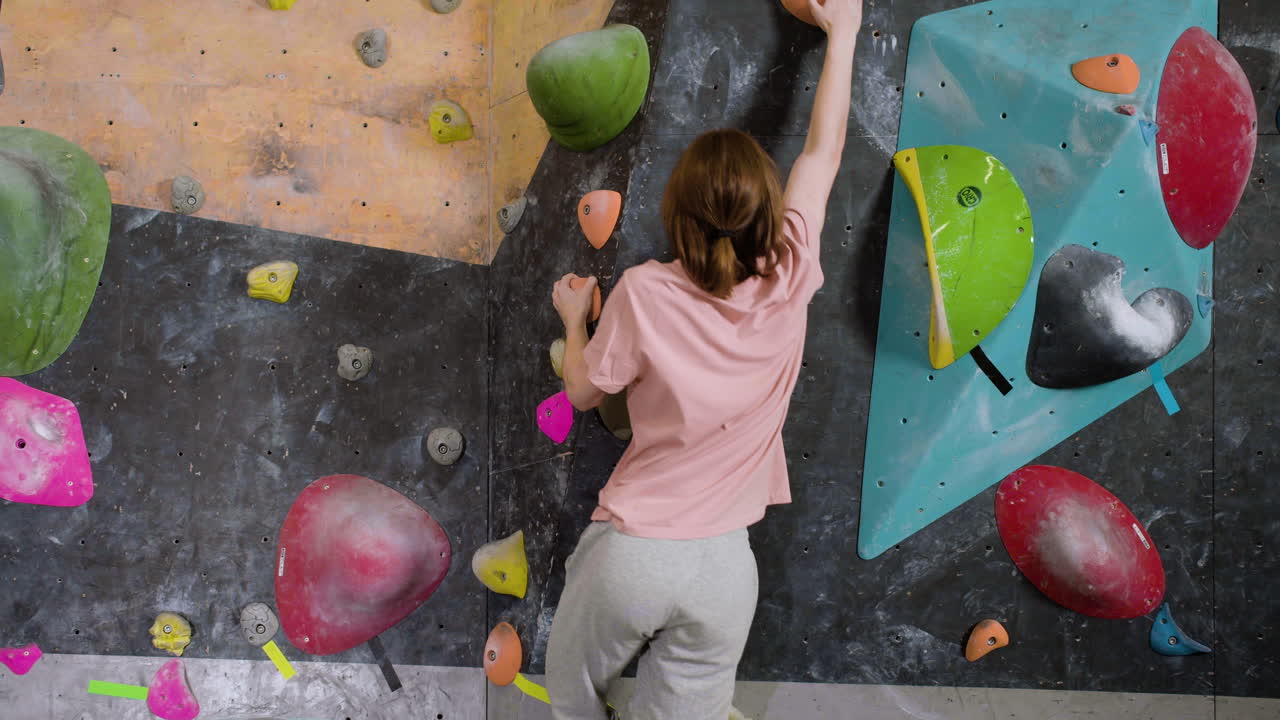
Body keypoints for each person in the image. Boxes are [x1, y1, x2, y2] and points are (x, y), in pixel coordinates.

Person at [545, 1, 862, 717]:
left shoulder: (643, 292)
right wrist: (842, 30)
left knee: (571, 700)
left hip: (636, 552)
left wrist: (573, 319)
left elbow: (586, 395)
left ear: (676, 216)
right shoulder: (792, 272)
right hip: (725, 569)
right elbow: (824, 151)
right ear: (770, 214)